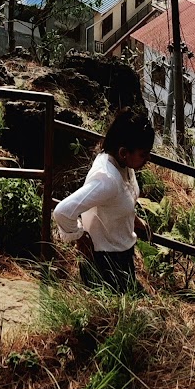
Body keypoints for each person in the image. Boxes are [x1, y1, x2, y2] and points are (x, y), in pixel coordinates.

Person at [53, 106, 155, 291]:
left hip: (121, 253)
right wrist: (80, 236)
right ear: (124, 152)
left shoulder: (120, 164)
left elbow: (116, 203)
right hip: (107, 263)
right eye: (143, 154)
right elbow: (62, 211)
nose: (147, 158)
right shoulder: (107, 179)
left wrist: (135, 220)